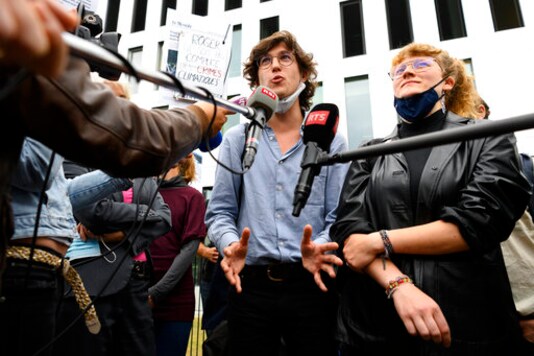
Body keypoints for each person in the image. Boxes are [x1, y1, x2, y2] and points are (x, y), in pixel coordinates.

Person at [0, 0, 231, 278]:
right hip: (25, 267)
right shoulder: (18, 51)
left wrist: (122, 173)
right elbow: (43, 170)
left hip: (48, 270)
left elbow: (67, 192)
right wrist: (197, 118)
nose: (66, 14)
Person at [330, 42, 530, 355]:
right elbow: (351, 231)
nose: (407, 71)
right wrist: (399, 286)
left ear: (447, 83)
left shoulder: (488, 136)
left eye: (421, 65)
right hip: (372, 329)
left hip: (466, 324)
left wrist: (378, 240)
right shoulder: (369, 150)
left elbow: (480, 221)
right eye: (398, 70)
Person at [205, 30, 347, 356]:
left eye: (285, 58)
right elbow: (219, 211)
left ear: (304, 73)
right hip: (249, 285)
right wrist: (229, 245)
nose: (275, 67)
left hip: (312, 284)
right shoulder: (238, 140)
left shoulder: (331, 140)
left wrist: (322, 245)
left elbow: (338, 214)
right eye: (265, 62)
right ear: (257, 79)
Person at [1, 137, 133, 356]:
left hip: (40, 273)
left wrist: (125, 171)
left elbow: (62, 193)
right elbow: (37, 172)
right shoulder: (32, 117)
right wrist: (53, 117)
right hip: (18, 269)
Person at [148, 153, 207, 356]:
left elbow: (189, 250)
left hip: (175, 302)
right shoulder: (142, 195)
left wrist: (156, 292)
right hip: (136, 296)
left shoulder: (192, 197)